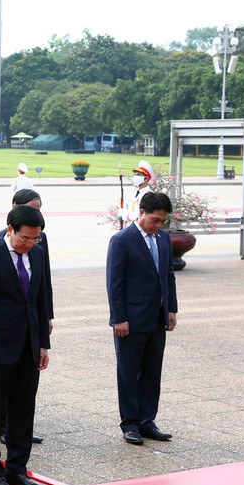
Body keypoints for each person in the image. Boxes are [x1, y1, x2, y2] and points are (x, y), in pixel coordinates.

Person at [0, 204, 51, 485]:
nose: (30, 244)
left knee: (23, 410)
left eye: (35, 239)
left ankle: (17, 468)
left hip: (28, 346)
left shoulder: (38, 254)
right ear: (10, 230)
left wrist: (43, 343)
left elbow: (40, 300)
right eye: (25, 239)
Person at [107, 191, 177, 446]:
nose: (158, 225)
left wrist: (171, 308)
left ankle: (148, 421)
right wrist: (119, 318)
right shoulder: (122, 240)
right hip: (131, 320)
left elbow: (168, 274)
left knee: (151, 372)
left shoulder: (163, 238)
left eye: (162, 221)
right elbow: (114, 283)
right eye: (155, 220)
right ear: (141, 213)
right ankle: (130, 424)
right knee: (128, 372)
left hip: (156, 318)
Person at [0, 188, 53, 445]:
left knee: (26, 389)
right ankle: (2, 428)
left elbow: (43, 282)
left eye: (38, 209)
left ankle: (20, 430)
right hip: (4, 332)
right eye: (30, 208)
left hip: (31, 325)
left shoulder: (39, 241)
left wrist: (47, 315)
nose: (31, 243)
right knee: (2, 387)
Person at [122, 160, 154, 224]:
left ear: (146, 179)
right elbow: (128, 208)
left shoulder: (149, 195)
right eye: (135, 175)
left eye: (138, 175)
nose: (135, 177)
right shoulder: (133, 194)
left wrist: (125, 216)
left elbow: (139, 215)